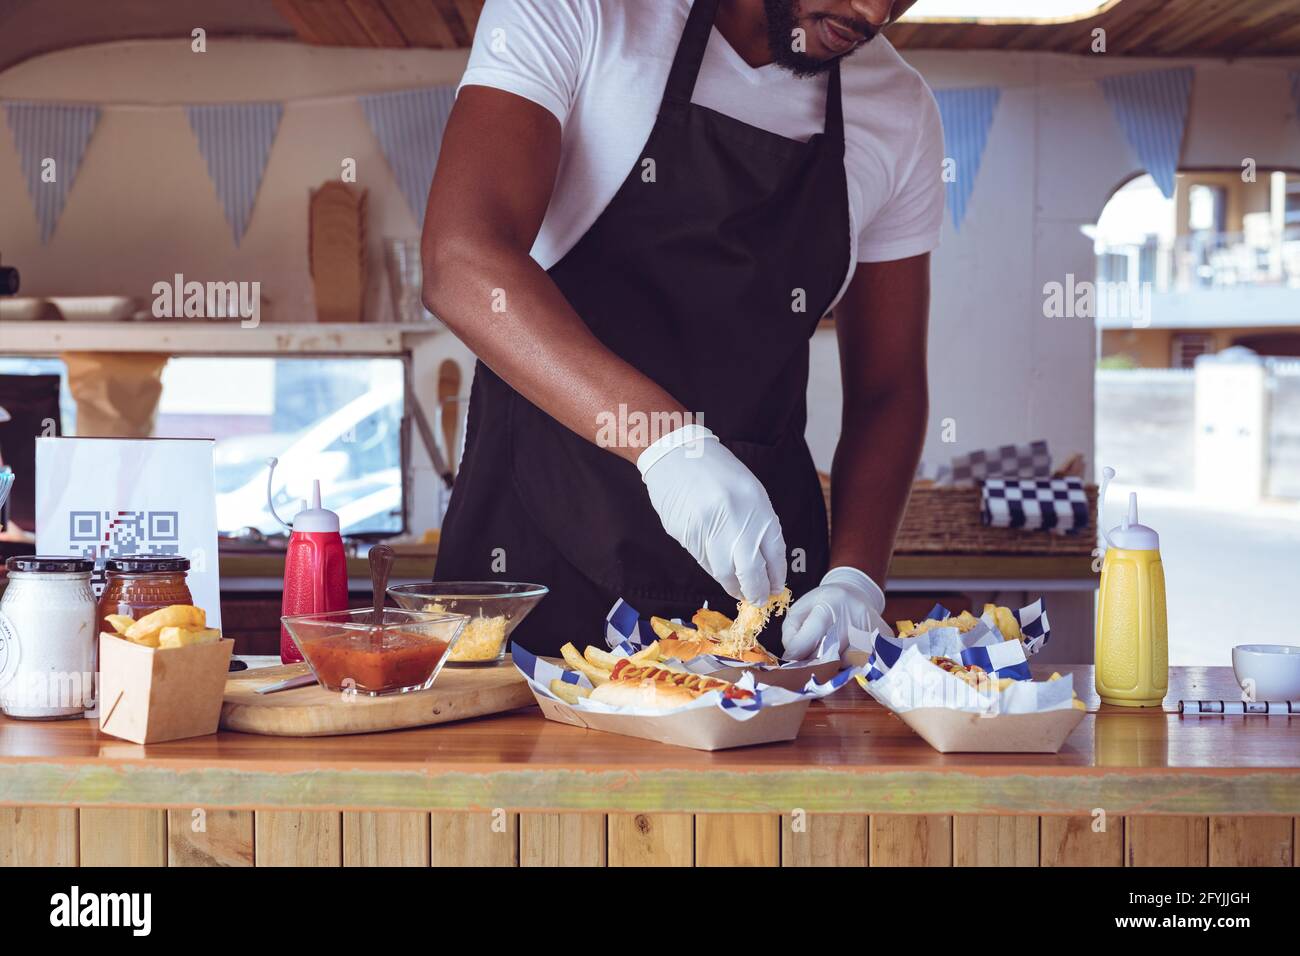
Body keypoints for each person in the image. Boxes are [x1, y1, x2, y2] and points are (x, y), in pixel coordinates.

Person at [422, 0, 941, 658]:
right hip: (531, 567)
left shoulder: (899, 110)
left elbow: (888, 387)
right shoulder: (583, 10)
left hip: (759, 599)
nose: (873, 9)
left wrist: (855, 577)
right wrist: (667, 446)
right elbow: (460, 260)